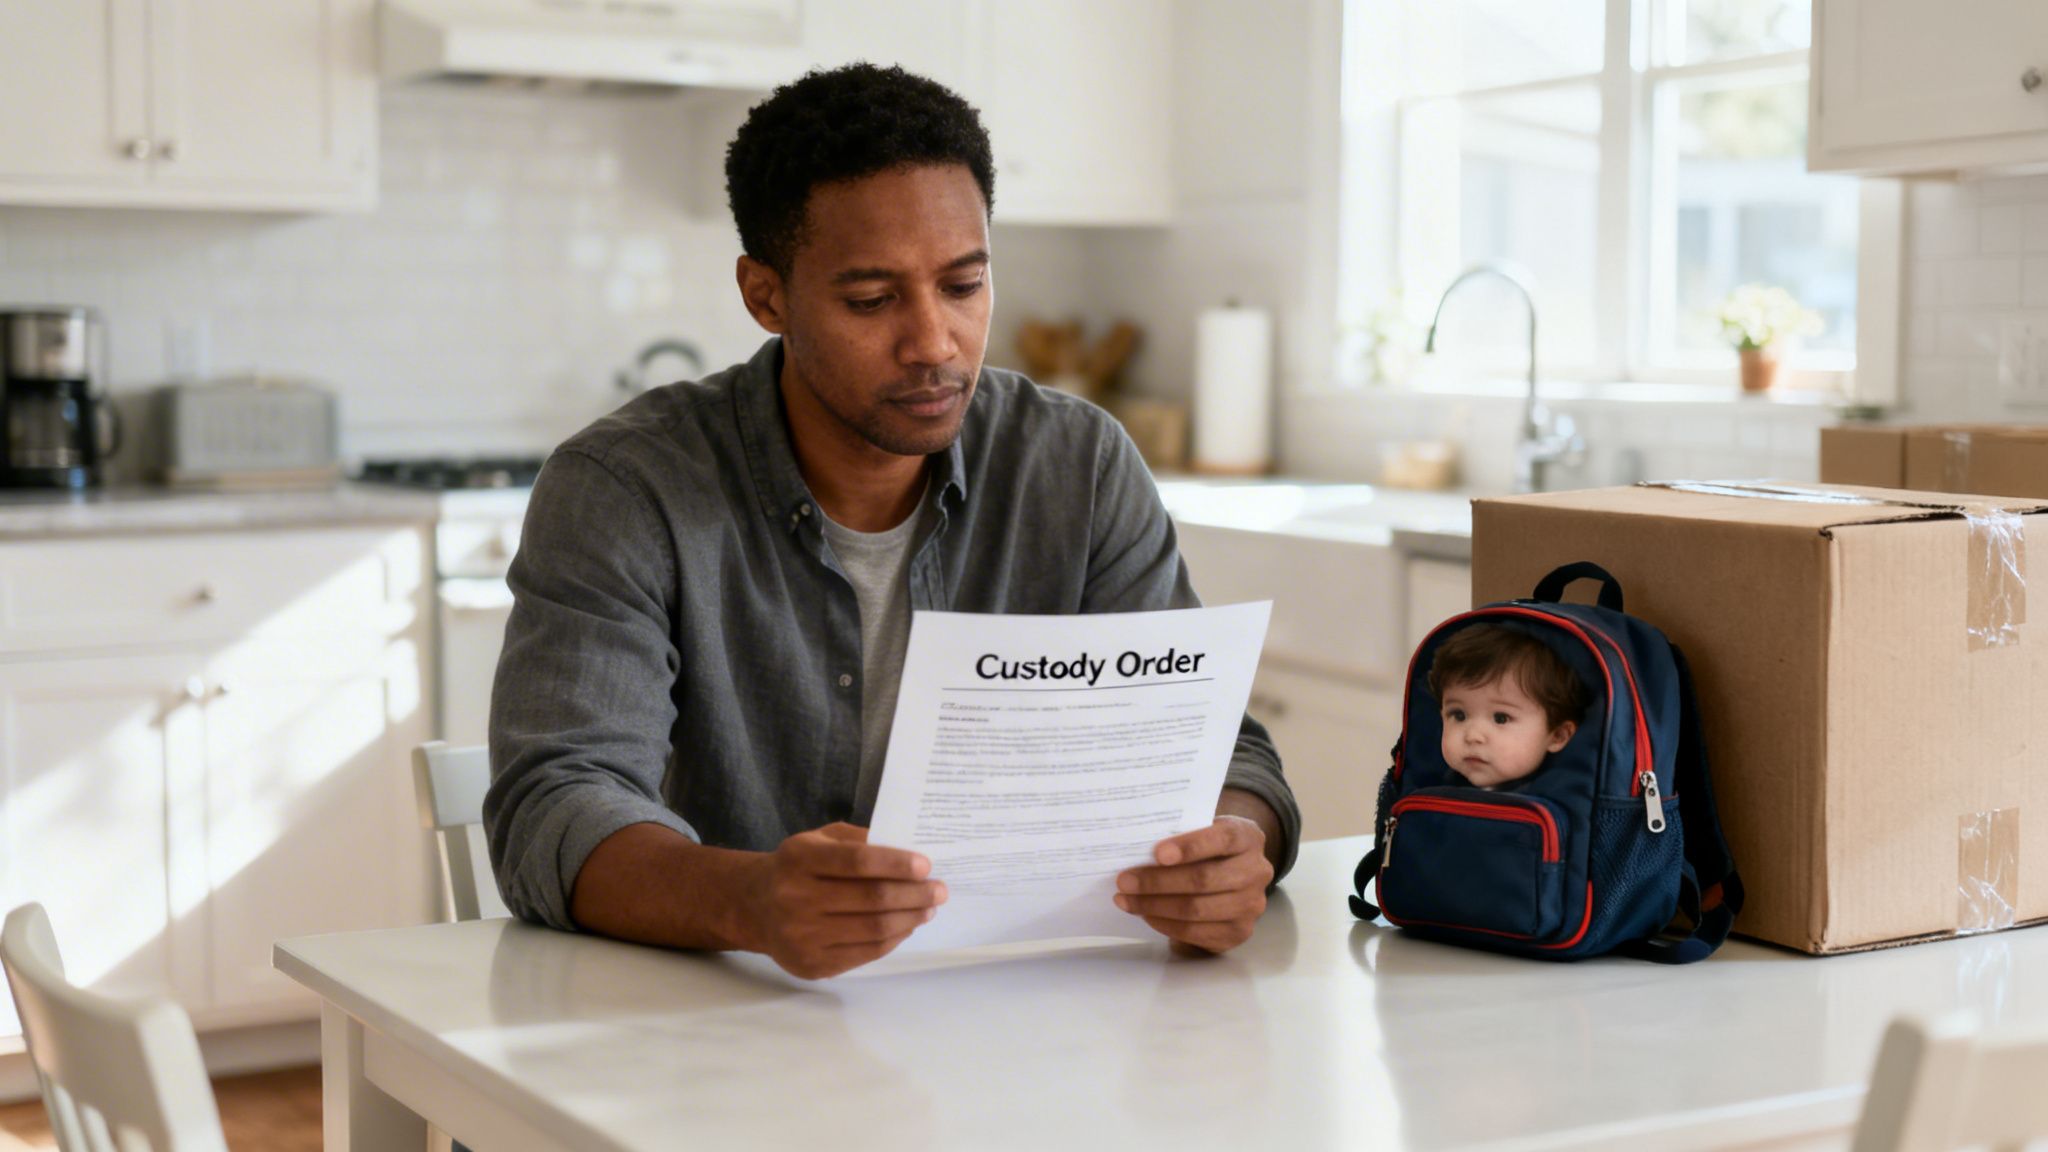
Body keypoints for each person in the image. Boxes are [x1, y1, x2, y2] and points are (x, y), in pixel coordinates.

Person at [485, 63, 1300, 980]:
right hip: (712, 1014)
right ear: (767, 296)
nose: (934, 343)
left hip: (1010, 1013)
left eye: (963, 286)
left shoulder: (1077, 464)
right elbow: (557, 804)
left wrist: (1231, 842)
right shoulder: (625, 488)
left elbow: (1216, 746)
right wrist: (749, 900)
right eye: (871, 301)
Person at [1426, 624, 1589, 790]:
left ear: (1557, 735)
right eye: (1459, 715)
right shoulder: (1436, 785)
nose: (1473, 736)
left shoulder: (1565, 797)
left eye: (1501, 718)